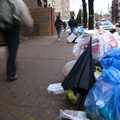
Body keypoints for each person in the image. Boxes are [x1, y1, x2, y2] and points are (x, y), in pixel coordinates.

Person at [1, 0, 34, 81]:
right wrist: (30, 26)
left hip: (2, 27)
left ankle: (12, 63)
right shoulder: (17, 1)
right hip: (13, 27)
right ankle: (11, 74)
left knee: (9, 47)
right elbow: (25, 15)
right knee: (12, 48)